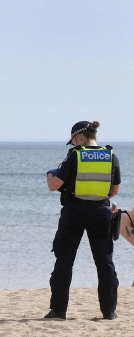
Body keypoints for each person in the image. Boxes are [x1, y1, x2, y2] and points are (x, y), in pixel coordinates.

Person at [44, 121, 121, 320]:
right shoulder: (111, 156)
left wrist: (50, 174)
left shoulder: (75, 156)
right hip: (101, 212)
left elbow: (54, 185)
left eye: (73, 141)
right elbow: (114, 191)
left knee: (65, 260)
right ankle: (109, 311)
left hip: (74, 212)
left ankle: (59, 310)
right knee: (104, 261)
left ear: (79, 138)